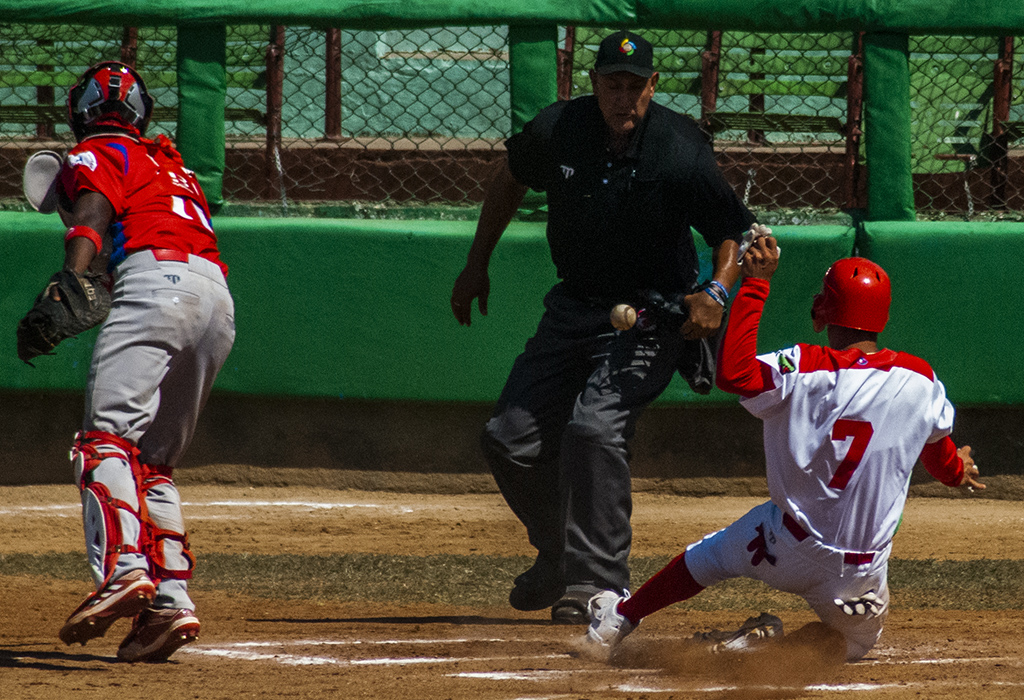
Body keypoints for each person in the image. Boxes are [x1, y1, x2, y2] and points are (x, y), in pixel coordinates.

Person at [450, 30, 756, 624]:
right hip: (575, 305)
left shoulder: (678, 147)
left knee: (594, 430)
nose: (624, 98)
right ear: (592, 85)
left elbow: (733, 230)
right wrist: (476, 261)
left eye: (635, 87)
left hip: (654, 313)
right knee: (507, 438)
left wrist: (716, 290)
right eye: (612, 85)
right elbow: (510, 176)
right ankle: (561, 554)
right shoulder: (557, 129)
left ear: (653, 87)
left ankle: (597, 586)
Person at [584, 237, 985, 663]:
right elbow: (940, 458)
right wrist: (956, 471)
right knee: (850, 645)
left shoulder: (805, 365)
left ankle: (619, 618)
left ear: (825, 311)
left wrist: (756, 284)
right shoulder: (920, 378)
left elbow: (734, 374)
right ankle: (766, 648)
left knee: (706, 558)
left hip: (782, 544)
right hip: (858, 575)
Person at [42, 61, 235, 662]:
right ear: (141, 112)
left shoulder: (95, 152)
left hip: (155, 287)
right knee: (153, 463)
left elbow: (96, 216)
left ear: (80, 112)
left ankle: (125, 569)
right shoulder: (175, 164)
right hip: (216, 301)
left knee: (104, 444)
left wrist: (68, 279)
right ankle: (169, 602)